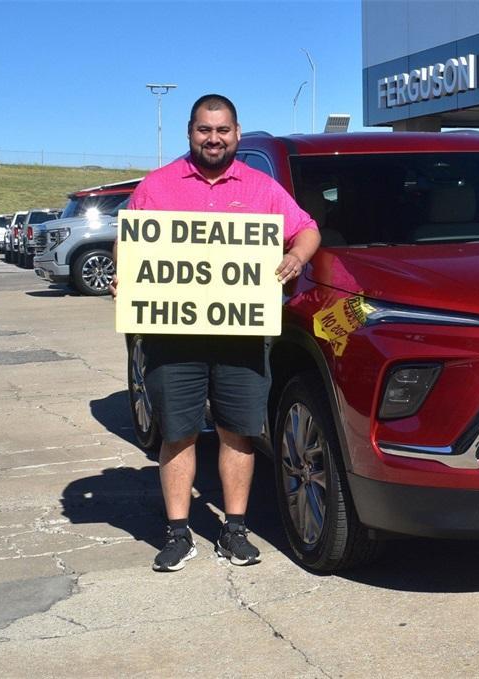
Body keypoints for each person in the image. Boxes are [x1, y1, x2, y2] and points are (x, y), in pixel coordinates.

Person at [113, 94, 320, 572]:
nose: (214, 138)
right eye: (205, 130)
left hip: (242, 336)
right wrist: (126, 277)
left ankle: (235, 530)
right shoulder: (157, 186)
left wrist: (296, 257)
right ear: (191, 132)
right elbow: (131, 244)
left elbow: (307, 230)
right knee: (178, 434)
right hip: (173, 336)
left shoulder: (261, 186)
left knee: (239, 433)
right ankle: (178, 532)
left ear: (237, 132)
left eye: (222, 130)